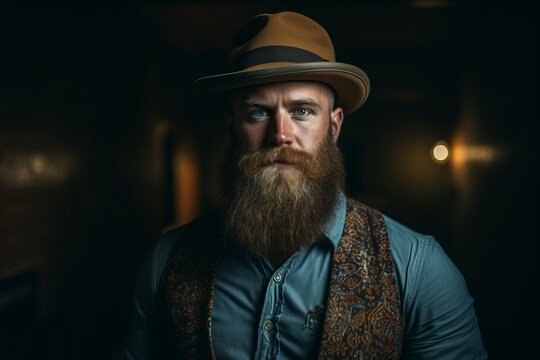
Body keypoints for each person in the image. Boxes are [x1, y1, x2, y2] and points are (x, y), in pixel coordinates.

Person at [126, 11, 487, 359]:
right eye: (258, 112)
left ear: (333, 126)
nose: (280, 135)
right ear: (231, 127)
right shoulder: (167, 260)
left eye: (302, 111)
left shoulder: (418, 268)